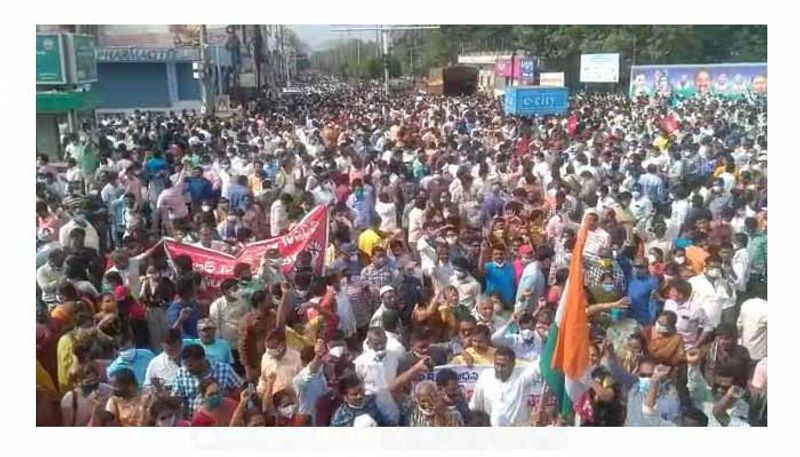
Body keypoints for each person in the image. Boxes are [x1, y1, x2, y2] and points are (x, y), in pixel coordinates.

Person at [469, 346, 544, 426]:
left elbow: (543, 362)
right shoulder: (485, 376)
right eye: (497, 364)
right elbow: (475, 406)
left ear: (513, 364)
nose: (499, 369)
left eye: (503, 366)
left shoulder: (522, 378)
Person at [171, 344, 243, 419]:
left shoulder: (224, 369)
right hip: (193, 420)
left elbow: (240, 389)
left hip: (220, 418)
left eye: (191, 365)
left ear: (202, 359)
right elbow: (177, 399)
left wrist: (225, 399)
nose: (188, 368)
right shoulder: (181, 373)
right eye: (185, 364)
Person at [258, 328, 303, 397]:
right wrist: (260, 390)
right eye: (268, 348)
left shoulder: (297, 358)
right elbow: (263, 379)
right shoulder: (265, 357)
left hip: (293, 401)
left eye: (273, 348)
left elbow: (304, 383)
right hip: (272, 401)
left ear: (283, 344)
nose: (270, 352)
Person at [292, 340, 329, 425]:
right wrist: (318, 356)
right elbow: (310, 371)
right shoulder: (299, 380)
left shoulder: (322, 374)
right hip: (307, 423)